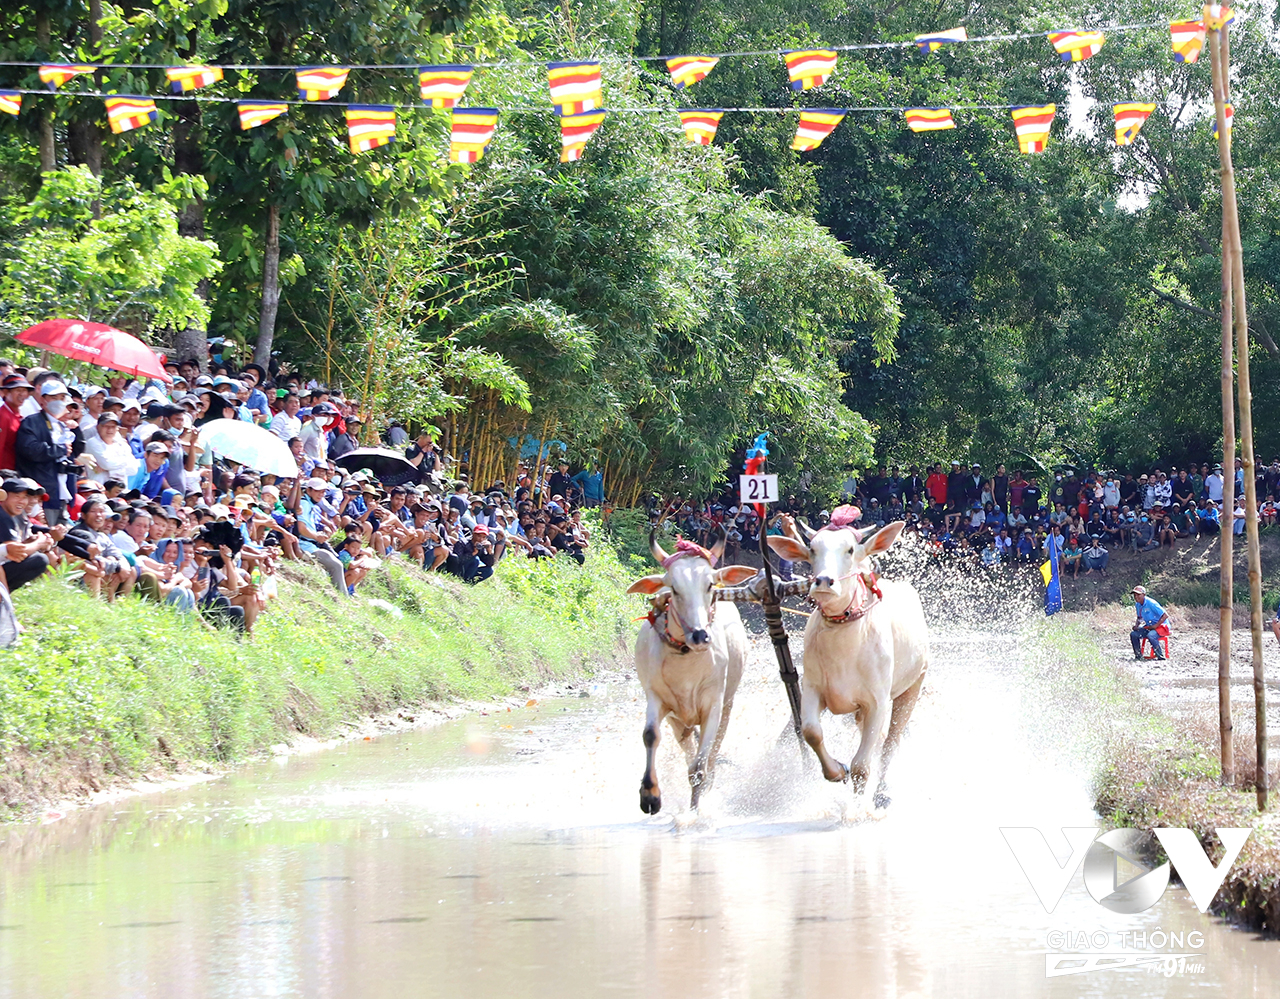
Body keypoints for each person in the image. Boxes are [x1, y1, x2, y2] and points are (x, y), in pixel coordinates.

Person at [1129, 585, 1169, 661]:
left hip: (1162, 626)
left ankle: (1160, 655)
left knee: (1151, 635)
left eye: (1138, 595)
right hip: (1150, 626)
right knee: (1133, 634)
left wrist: (1155, 625)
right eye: (1135, 595)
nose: (1136, 597)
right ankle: (1138, 655)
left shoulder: (1151, 603)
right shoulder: (1138, 605)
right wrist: (1136, 626)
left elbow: (1165, 615)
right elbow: (1140, 617)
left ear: (1144, 595)